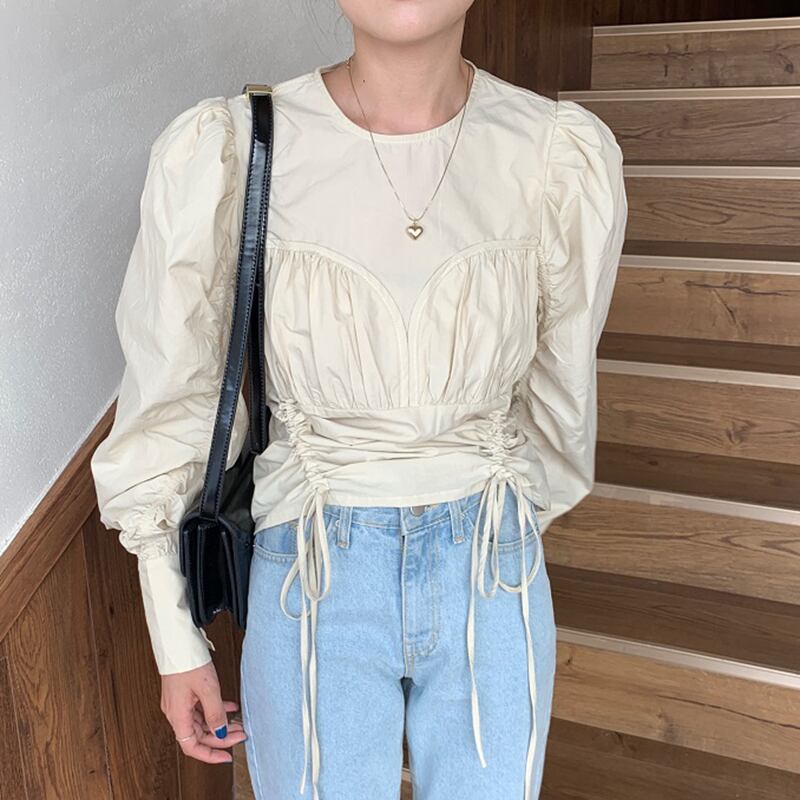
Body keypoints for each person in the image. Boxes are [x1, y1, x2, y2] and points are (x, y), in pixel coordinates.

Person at [90, 1, 628, 798]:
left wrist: (498, 515)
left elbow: (562, 394)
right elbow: (177, 401)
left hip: (494, 564)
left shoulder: (555, 153)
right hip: (310, 566)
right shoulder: (235, 145)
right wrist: (175, 636)